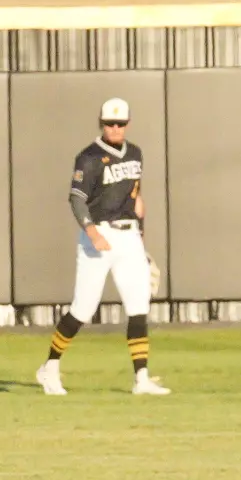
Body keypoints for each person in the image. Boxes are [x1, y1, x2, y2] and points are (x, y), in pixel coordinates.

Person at [36, 97, 170, 397]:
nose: (115, 128)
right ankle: (50, 367)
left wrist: (142, 238)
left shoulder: (135, 153)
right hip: (99, 236)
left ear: (128, 124)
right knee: (83, 309)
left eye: (121, 123)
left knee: (138, 307)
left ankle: (142, 378)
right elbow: (76, 198)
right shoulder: (89, 157)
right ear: (102, 123)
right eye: (110, 123)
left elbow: (136, 196)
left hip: (128, 236)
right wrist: (91, 231)